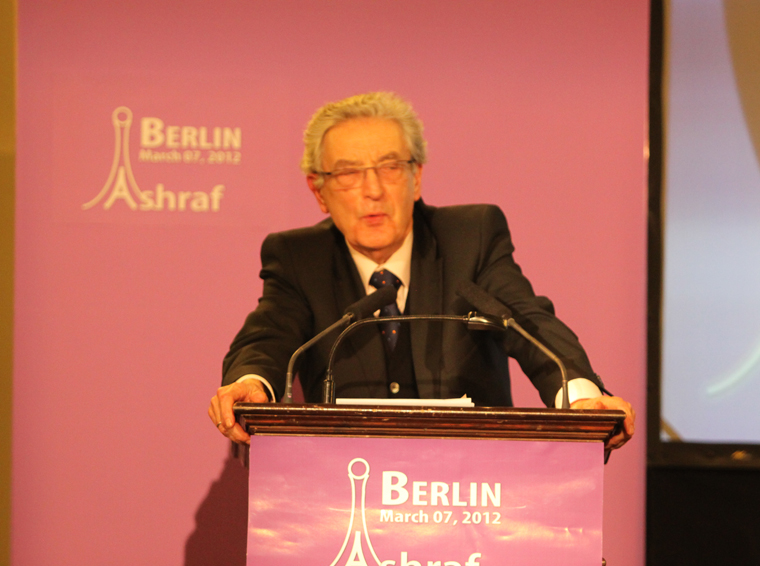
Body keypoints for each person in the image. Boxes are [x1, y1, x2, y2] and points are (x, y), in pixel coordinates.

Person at [209, 92, 635, 448]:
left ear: (416, 177)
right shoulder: (299, 258)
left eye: (390, 168)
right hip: (345, 488)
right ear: (318, 190)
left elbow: (527, 320)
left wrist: (582, 398)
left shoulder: (470, 238)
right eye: (349, 173)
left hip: (476, 489)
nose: (373, 190)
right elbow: (269, 336)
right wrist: (252, 383)